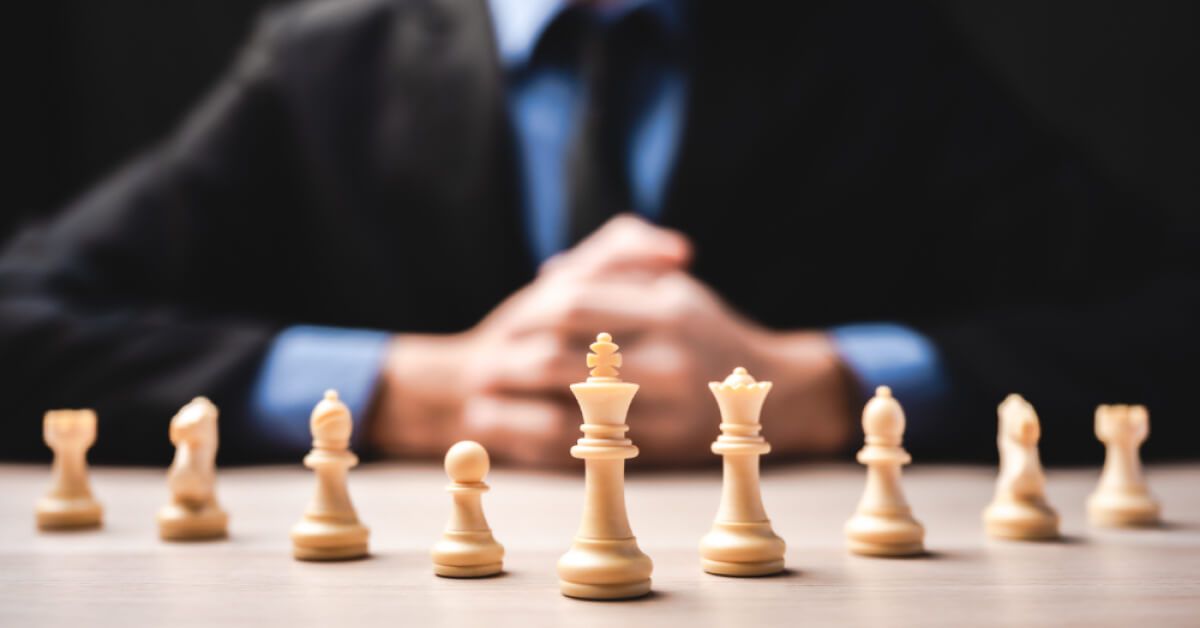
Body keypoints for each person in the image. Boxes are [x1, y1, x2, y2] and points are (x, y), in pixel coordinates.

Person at [1, 0, 1195, 466]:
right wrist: (407, 387)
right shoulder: (325, 61)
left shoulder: (876, 48)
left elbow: (1170, 320)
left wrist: (825, 386)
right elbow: (23, 321)